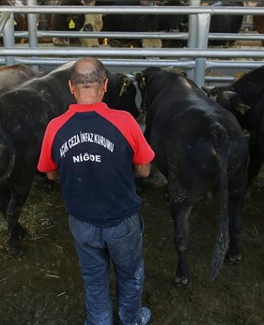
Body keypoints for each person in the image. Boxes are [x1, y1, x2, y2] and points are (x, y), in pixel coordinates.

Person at [37, 57, 155, 325]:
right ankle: (131, 319)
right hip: (121, 219)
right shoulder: (125, 121)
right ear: (104, 86)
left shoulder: (55, 127)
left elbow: (50, 172)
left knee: (94, 277)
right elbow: (145, 170)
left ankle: (99, 322)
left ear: (71, 87)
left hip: (82, 220)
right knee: (130, 274)